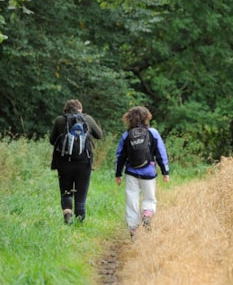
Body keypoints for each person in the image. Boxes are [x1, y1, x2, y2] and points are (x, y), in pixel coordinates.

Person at [115, 106, 170, 238]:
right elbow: (160, 153)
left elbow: (120, 156)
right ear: (147, 118)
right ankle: (147, 214)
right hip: (149, 173)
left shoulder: (127, 135)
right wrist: (165, 171)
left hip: (131, 172)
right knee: (149, 198)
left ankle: (133, 229)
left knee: (131, 199)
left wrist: (118, 173)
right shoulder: (153, 133)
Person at [50, 99, 103, 224]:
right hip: (84, 163)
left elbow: (52, 140)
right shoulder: (88, 119)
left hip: (64, 163)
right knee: (81, 196)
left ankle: (67, 212)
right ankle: (80, 224)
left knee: (66, 190)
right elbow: (99, 135)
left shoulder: (59, 120)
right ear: (80, 109)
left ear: (66, 110)